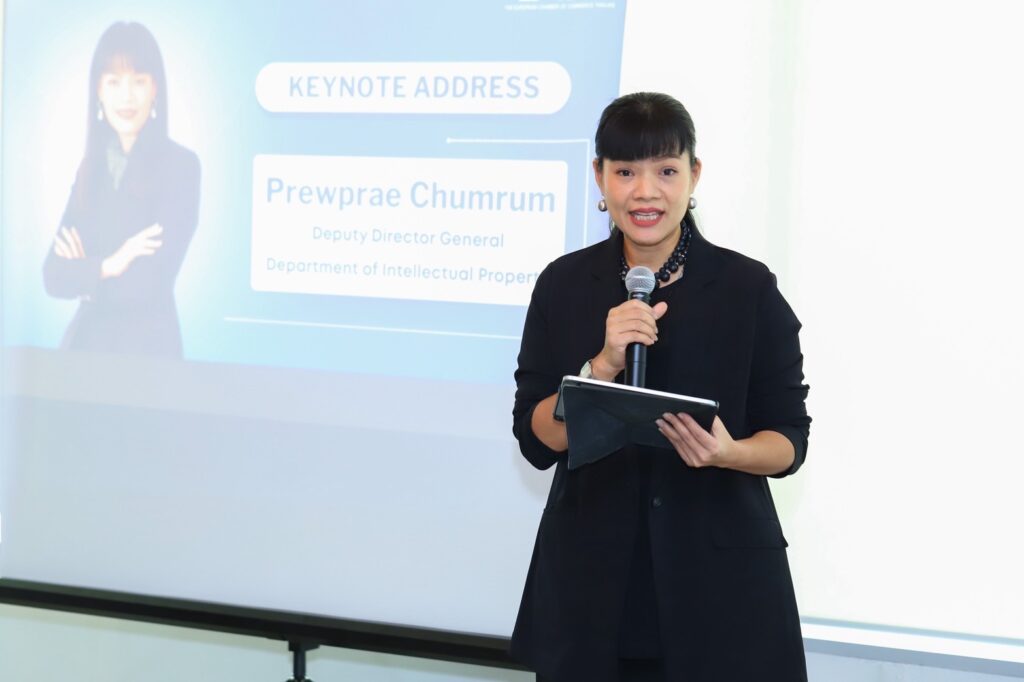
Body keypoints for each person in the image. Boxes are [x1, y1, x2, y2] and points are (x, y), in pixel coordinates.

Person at [509, 92, 811, 682]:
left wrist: (729, 453)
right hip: (590, 590)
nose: (645, 192)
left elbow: (790, 440)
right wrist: (600, 366)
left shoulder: (748, 288)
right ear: (599, 176)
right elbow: (537, 439)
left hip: (721, 591)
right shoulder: (563, 284)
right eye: (625, 172)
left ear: (694, 175)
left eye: (666, 171)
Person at [43, 22, 200, 357]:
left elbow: (148, 286)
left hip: (147, 360)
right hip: (82, 355)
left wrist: (85, 278)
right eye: (114, 82)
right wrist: (108, 265)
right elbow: (53, 275)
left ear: (155, 88)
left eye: (138, 81)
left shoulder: (181, 166)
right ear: (98, 91)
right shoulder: (91, 168)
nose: (126, 96)